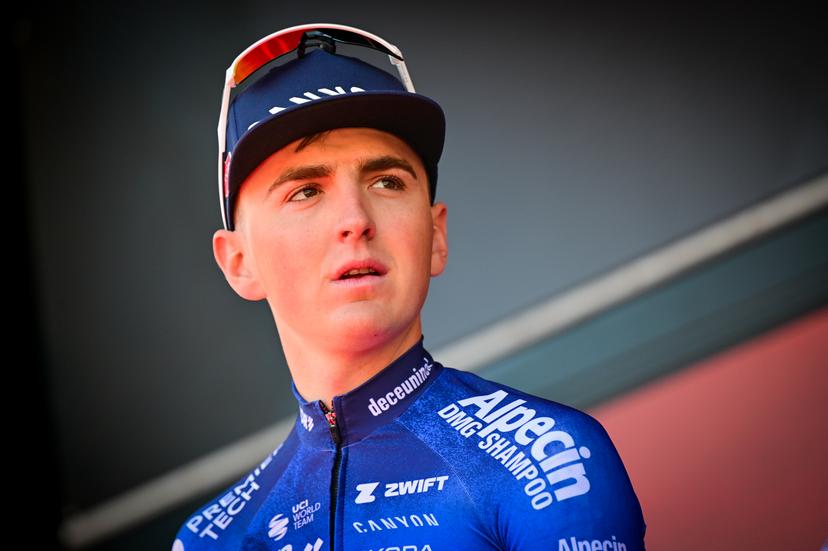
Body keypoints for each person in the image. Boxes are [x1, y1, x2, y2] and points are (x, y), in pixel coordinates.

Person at [171, 23, 647, 551]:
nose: (355, 219)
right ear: (239, 262)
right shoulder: (209, 539)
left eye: (387, 182)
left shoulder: (547, 462)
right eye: (306, 191)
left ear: (436, 235)